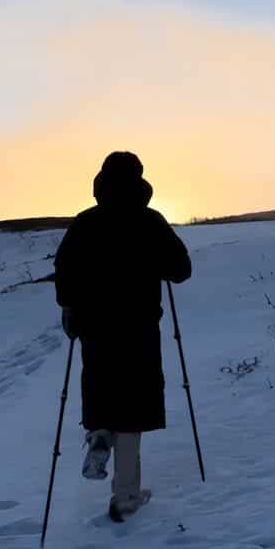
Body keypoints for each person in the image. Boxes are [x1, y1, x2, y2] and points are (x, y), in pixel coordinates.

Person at [53, 151, 192, 521]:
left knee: (102, 392)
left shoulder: (85, 223)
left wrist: (69, 307)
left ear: (101, 180)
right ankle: (125, 496)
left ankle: (99, 436)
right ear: (140, 179)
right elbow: (181, 270)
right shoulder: (150, 222)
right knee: (133, 409)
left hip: (95, 329)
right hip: (139, 329)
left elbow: (64, 270)